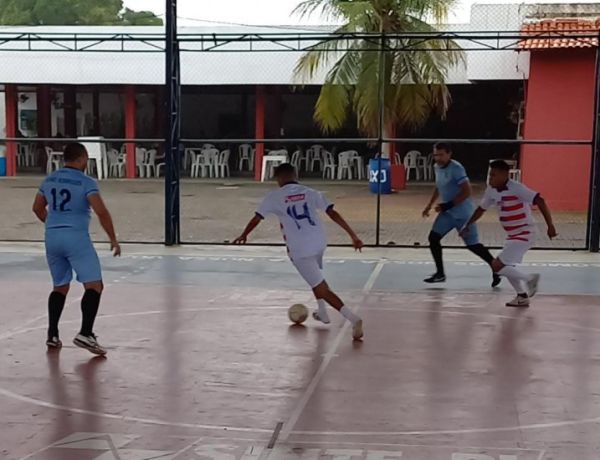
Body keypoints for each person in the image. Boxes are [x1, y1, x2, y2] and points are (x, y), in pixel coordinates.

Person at [233, 163, 364, 340]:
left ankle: (353, 319)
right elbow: (332, 213)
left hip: (300, 249)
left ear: (279, 178)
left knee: (321, 287)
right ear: (295, 174)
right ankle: (322, 312)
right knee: (315, 277)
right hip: (319, 242)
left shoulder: (274, 196)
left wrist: (244, 234)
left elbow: (257, 219)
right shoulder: (310, 192)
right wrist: (353, 236)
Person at [32, 142, 121, 355]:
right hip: (76, 238)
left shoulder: (50, 179)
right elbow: (101, 211)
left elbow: (37, 208)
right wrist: (113, 239)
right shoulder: (85, 182)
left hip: (52, 237)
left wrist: (53, 224)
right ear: (81, 159)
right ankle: (85, 333)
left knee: (60, 286)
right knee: (94, 285)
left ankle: (52, 334)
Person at [460, 160, 557, 307]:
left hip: (525, 233)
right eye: (489, 174)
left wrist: (550, 226)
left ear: (505, 175)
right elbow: (481, 209)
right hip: (512, 235)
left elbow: (540, 201)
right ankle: (522, 296)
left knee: (497, 266)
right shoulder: (491, 190)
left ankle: (530, 279)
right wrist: (467, 224)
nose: (490, 178)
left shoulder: (517, 188)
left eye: (494, 175)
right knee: (507, 267)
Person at [422, 143, 501, 287]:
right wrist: (429, 205)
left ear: (449, 154)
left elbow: (467, 191)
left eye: (441, 155)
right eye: (435, 155)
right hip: (447, 214)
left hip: (463, 214)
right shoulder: (437, 167)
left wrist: (448, 205)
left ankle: (496, 268)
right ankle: (440, 273)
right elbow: (439, 186)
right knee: (433, 238)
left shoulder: (457, 168)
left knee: (473, 246)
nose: (438, 158)